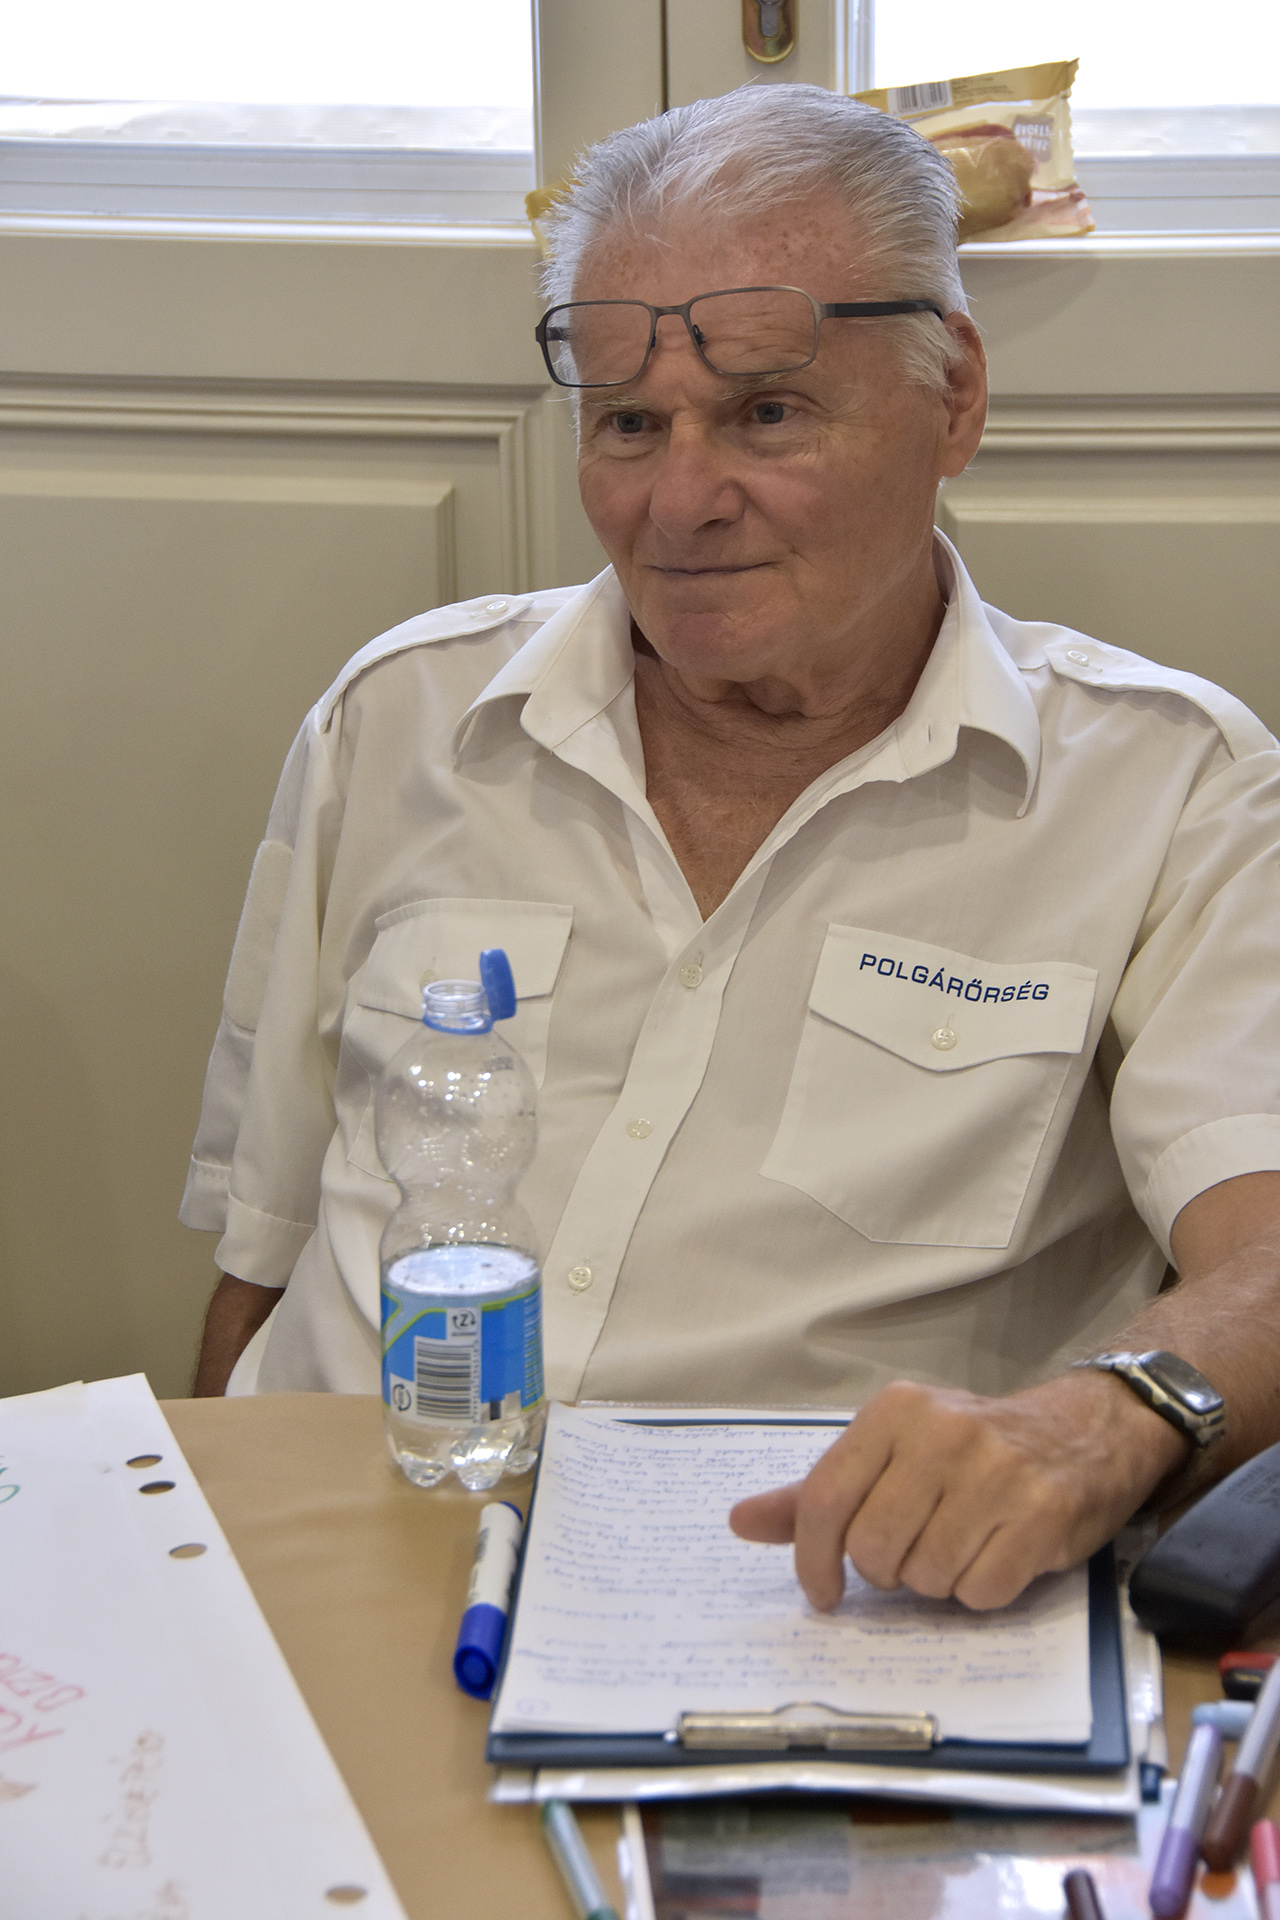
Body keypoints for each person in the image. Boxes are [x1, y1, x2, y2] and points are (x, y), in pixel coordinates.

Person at [182, 84, 1280, 1614]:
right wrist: (194, 1583)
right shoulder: (401, 717)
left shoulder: (1168, 790)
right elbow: (268, 1251)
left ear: (955, 397)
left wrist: (1104, 1421)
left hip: (815, 1607)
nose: (679, 503)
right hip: (354, 1547)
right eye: (629, 424)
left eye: (768, 412)